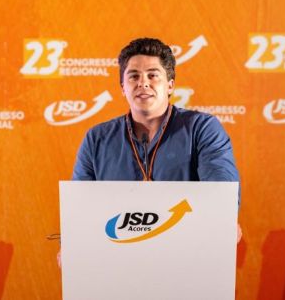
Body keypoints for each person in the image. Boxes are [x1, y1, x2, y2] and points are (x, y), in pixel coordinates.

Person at [58, 38, 241, 267]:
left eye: (153, 75)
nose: (143, 83)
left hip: (185, 259)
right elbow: (80, 207)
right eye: (133, 76)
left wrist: (224, 219)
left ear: (170, 85)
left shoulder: (201, 129)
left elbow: (220, 192)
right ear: (122, 88)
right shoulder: (97, 139)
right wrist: (71, 244)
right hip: (118, 264)